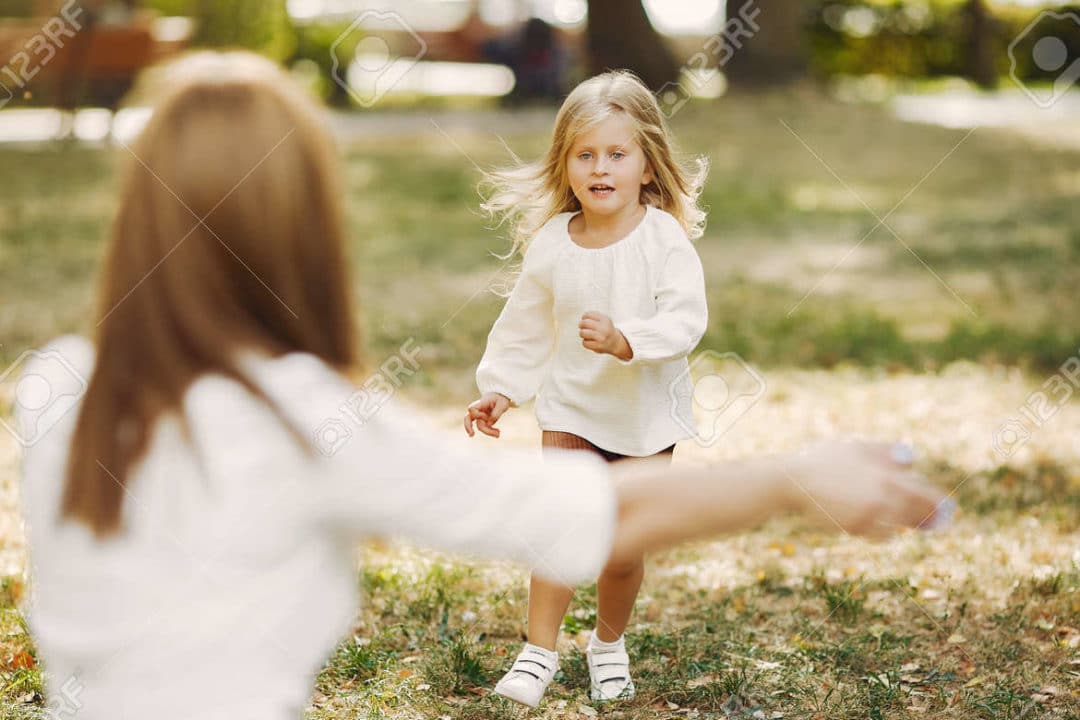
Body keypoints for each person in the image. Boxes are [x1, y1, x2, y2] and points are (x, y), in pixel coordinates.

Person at [13, 52, 946, 720]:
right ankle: (548, 652)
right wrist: (793, 478)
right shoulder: (302, 421)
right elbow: (564, 510)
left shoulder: (51, 388)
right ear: (302, 230)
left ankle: (594, 647)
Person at [463, 69, 711, 706]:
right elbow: (523, 325)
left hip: (645, 419)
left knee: (622, 549)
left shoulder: (663, 239)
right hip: (572, 409)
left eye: (617, 154)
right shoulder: (554, 243)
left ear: (648, 167)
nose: (601, 168)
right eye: (586, 154)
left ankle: (607, 644)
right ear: (566, 164)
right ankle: (538, 652)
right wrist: (500, 390)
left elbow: (686, 319)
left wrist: (629, 340)